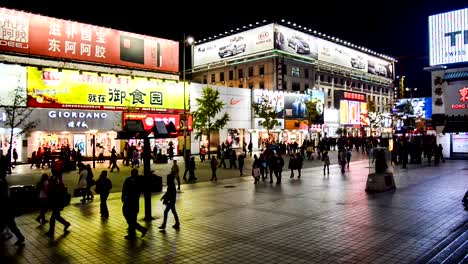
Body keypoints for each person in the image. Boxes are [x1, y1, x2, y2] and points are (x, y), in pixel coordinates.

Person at [0, 168, 25, 245]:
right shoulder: (3, 182)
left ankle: (21, 237)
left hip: (6, 210)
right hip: (7, 210)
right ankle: (20, 237)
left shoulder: (1, 183)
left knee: (11, 225)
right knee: (10, 225)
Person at [122, 169, 147, 240]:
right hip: (134, 201)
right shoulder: (133, 180)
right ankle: (134, 232)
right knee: (132, 217)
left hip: (131, 201)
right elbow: (124, 189)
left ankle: (135, 232)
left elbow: (124, 189)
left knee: (130, 217)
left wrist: (123, 197)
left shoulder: (136, 180)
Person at [46, 174, 71, 238]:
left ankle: (51, 231)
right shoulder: (57, 186)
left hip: (57, 204)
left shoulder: (55, 187)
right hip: (58, 204)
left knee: (53, 218)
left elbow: (54, 197)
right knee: (57, 217)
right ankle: (66, 224)